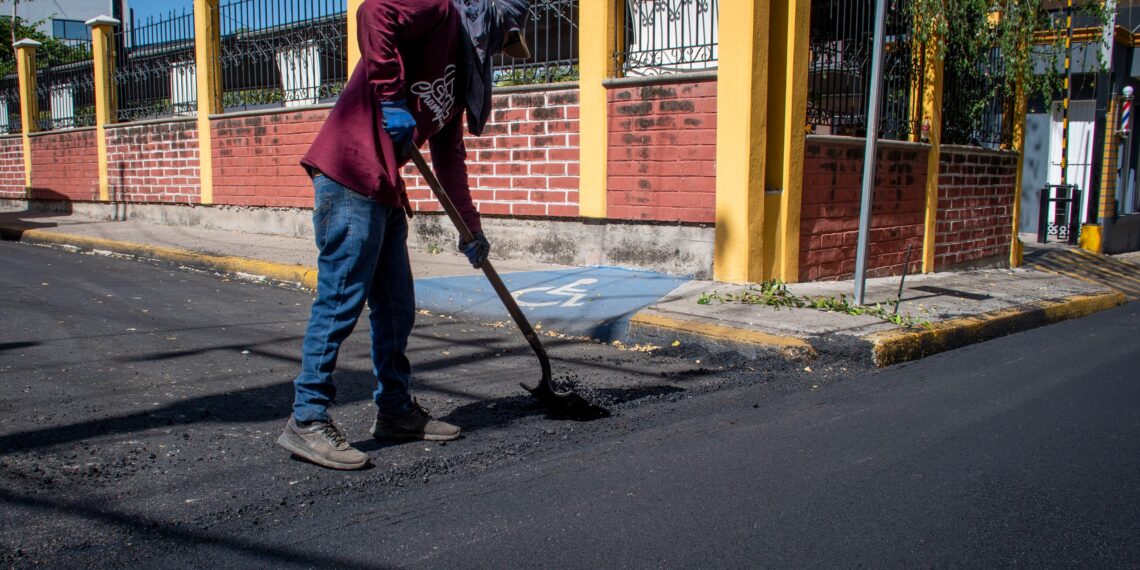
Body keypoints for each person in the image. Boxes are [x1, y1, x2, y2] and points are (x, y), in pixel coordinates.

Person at [276, 0, 531, 470]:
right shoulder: (440, 10)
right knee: (340, 300)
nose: (497, 47)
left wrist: (470, 228)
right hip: (349, 172)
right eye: (502, 35)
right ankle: (307, 420)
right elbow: (373, 13)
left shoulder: (462, 79)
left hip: (385, 188)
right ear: (491, 17)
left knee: (397, 308)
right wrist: (391, 100)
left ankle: (395, 411)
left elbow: (449, 158)